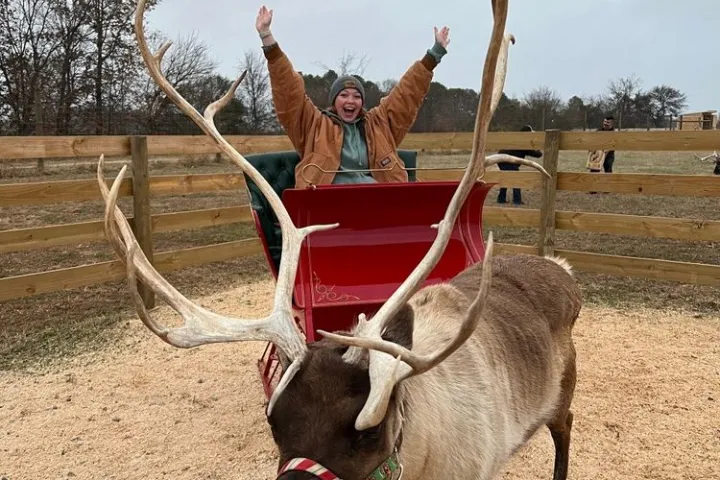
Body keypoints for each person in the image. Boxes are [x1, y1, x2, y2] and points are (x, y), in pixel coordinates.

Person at [255, 5, 450, 188]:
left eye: (357, 96)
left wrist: (434, 54)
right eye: (344, 95)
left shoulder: (379, 124)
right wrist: (267, 38)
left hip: (378, 200)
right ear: (334, 101)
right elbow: (289, 92)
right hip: (327, 204)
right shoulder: (313, 125)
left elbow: (407, 94)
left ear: (362, 102)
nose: (350, 101)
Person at [496, 125, 542, 205]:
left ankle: (501, 199)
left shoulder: (515, 138)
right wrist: (538, 148)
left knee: (505, 179)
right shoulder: (523, 143)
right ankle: (517, 200)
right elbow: (537, 154)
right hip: (509, 161)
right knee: (517, 179)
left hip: (500, 159)